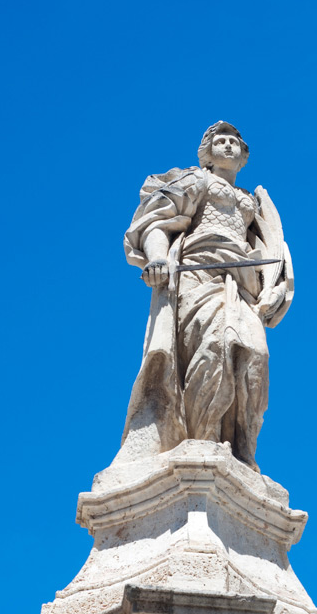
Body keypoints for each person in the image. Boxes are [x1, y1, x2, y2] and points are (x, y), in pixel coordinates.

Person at [118, 121, 293, 472]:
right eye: (220, 140)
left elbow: (273, 249)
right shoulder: (196, 181)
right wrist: (156, 258)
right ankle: (203, 439)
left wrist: (275, 288)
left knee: (254, 358)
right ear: (207, 152)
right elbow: (155, 222)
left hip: (242, 287)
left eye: (235, 143)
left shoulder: (250, 202)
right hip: (199, 277)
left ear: (243, 157)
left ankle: (242, 451)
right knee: (214, 349)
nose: (228, 146)